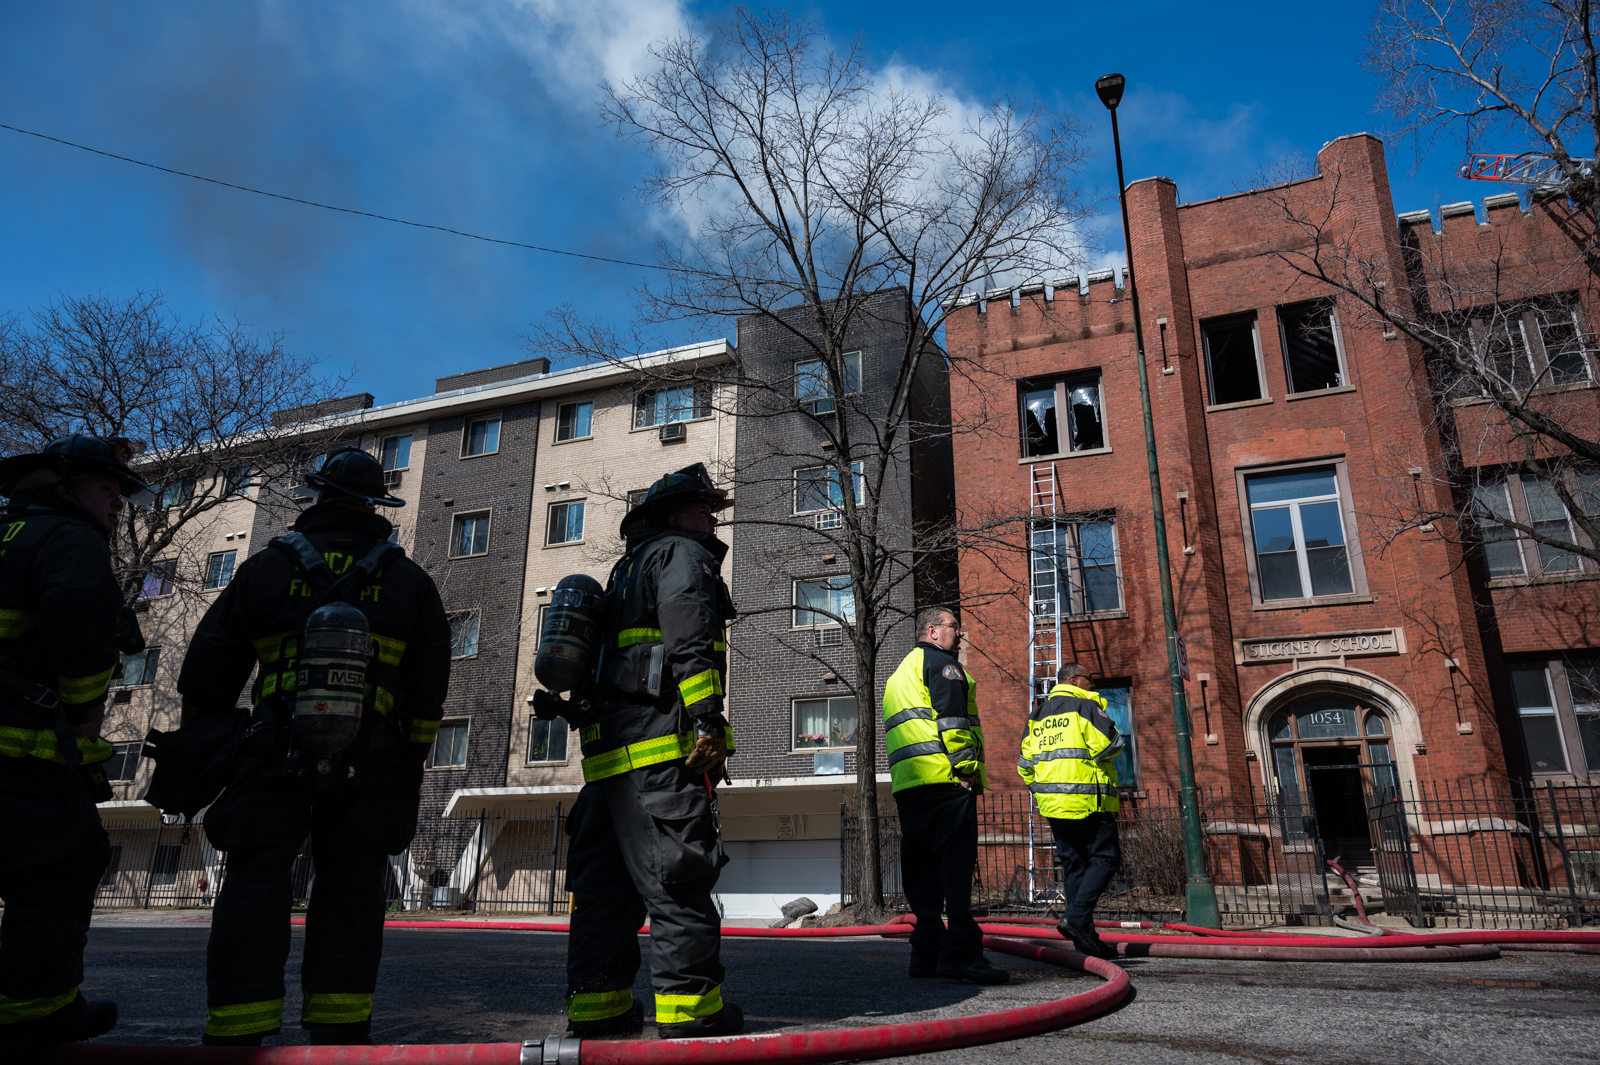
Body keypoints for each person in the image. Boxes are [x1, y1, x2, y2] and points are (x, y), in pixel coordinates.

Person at [177, 448, 450, 1046]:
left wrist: (207, 742)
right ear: (378, 504)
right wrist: (409, 760)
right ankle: (340, 1031)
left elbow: (207, 672)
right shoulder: (407, 580)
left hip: (272, 750)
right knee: (352, 886)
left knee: (255, 881)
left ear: (317, 497)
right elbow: (429, 694)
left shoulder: (264, 570)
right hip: (372, 759)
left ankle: (237, 1030)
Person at [535, 462, 741, 1039]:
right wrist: (707, 720)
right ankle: (692, 1013)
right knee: (679, 880)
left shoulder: (625, 571)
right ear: (673, 516)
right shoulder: (680, 554)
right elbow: (690, 636)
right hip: (656, 759)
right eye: (704, 508)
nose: (712, 518)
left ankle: (597, 1010)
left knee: (604, 893)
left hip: (606, 766)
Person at [0, 435, 154, 1059]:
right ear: (64, 488)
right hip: (22, 757)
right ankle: (36, 1013)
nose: (119, 507)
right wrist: (85, 726)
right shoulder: (70, 540)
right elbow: (84, 645)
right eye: (108, 491)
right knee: (59, 866)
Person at [881, 606, 1008, 985]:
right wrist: (967, 771)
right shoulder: (944, 666)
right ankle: (962, 955)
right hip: (946, 780)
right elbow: (952, 721)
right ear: (933, 631)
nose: (961, 632)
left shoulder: (900, 672)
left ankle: (927, 953)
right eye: (954, 626)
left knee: (921, 868)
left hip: (910, 784)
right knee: (955, 868)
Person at [1018, 661, 1123, 960]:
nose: (1094, 686)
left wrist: (1044, 790)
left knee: (1074, 865)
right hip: (1087, 799)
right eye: (1091, 680)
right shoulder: (1084, 706)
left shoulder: (1037, 715)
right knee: (1105, 858)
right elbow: (1111, 743)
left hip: (1053, 804)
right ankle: (1076, 920)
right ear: (1076, 680)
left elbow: (1024, 765)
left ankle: (1085, 939)